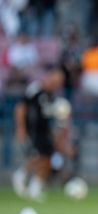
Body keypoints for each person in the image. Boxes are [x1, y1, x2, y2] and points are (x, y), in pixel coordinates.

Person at [12, 66, 66, 201]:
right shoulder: (35, 89)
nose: (58, 83)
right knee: (41, 157)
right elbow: (21, 107)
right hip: (34, 130)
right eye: (57, 79)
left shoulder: (52, 97)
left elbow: (52, 116)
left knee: (48, 160)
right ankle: (21, 174)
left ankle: (35, 187)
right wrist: (21, 127)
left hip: (45, 131)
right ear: (50, 77)